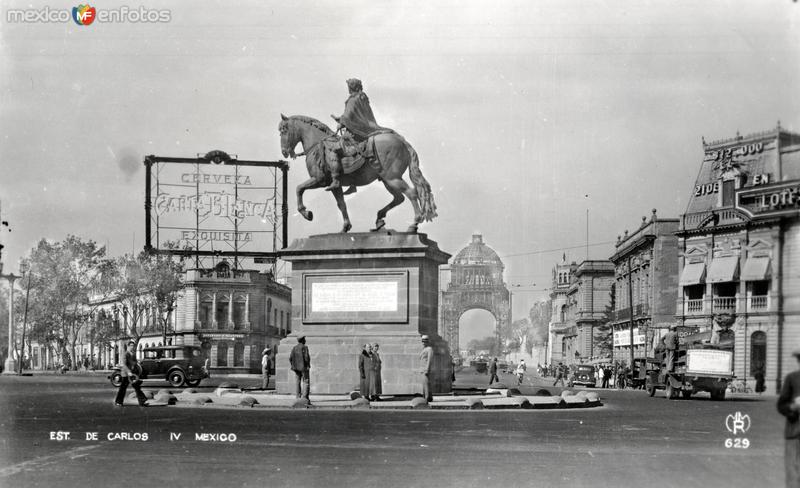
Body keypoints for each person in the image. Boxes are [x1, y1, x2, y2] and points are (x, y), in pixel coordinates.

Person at [327, 78, 385, 192]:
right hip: (366, 130)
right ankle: (352, 182)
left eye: (349, 86)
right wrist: (341, 119)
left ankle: (336, 180)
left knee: (334, 148)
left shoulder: (353, 100)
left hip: (356, 133)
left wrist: (341, 123)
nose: (348, 89)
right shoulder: (362, 97)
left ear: (351, 87)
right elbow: (355, 115)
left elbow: (348, 116)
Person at [777, 349, 800, 487]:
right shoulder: (792, 378)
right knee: (792, 470)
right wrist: (793, 407)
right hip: (795, 431)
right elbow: (781, 405)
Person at [114, 340, 148, 407]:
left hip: (132, 374)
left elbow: (135, 363)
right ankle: (118, 402)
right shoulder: (125, 354)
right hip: (126, 374)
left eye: (133, 346)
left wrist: (136, 369)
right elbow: (124, 364)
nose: (132, 347)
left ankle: (142, 401)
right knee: (122, 389)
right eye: (131, 346)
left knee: (137, 387)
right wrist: (128, 371)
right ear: (128, 346)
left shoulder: (133, 354)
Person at [289, 336, 311, 401]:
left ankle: (298, 397)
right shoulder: (305, 347)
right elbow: (306, 357)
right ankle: (304, 397)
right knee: (306, 381)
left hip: (296, 368)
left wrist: (293, 365)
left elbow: (290, 358)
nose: (305, 340)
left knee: (297, 382)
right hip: (304, 367)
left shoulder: (294, 348)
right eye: (305, 339)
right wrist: (308, 365)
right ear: (302, 340)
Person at [419, 335, 434, 402]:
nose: (424, 343)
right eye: (423, 341)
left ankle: (427, 398)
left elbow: (429, 360)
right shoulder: (423, 349)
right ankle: (429, 397)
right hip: (422, 369)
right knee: (425, 384)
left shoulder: (429, 349)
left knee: (426, 384)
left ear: (428, 342)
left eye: (425, 341)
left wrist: (427, 369)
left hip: (425, 369)